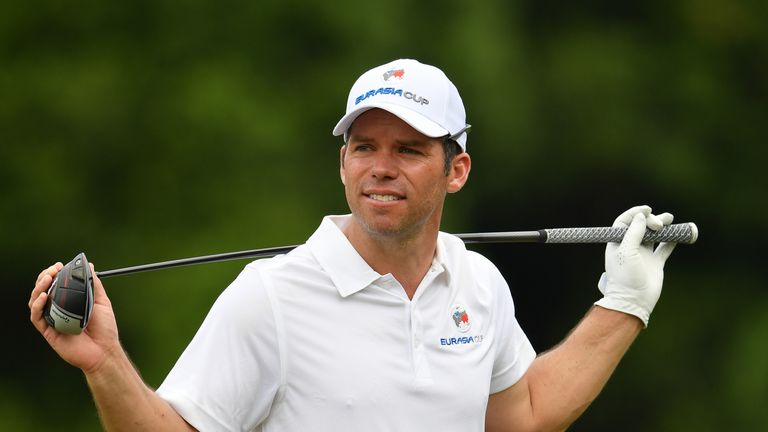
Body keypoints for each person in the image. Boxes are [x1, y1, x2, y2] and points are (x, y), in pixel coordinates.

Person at [29, 59, 678, 431]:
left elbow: (524, 415)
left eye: (409, 150)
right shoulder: (271, 297)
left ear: (458, 170)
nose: (381, 167)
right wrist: (105, 362)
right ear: (343, 164)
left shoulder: (477, 283)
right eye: (364, 147)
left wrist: (623, 301)